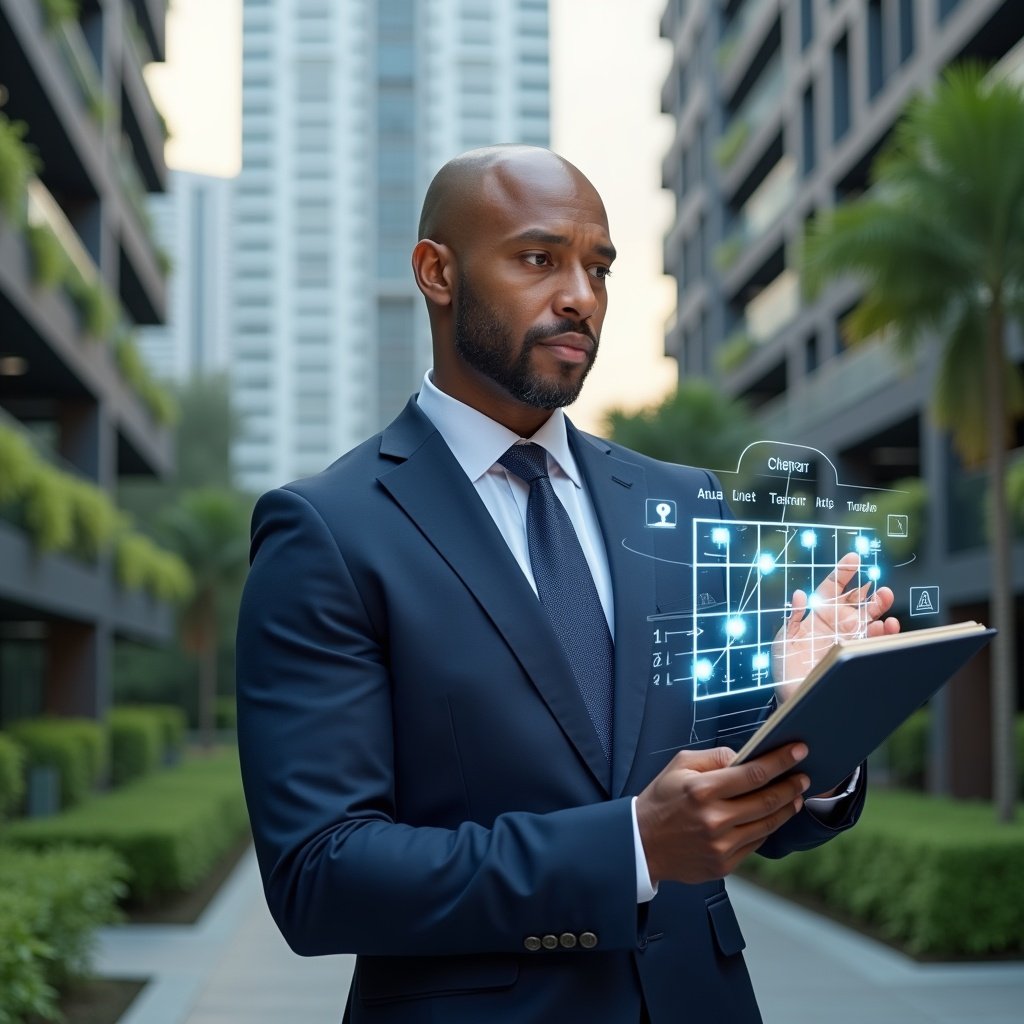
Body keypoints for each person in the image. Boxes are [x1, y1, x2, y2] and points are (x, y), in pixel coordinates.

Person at [236, 145, 899, 1024]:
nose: (581, 296)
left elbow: (732, 787)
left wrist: (809, 714)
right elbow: (321, 876)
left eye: (599, 268)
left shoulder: (681, 502)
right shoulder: (328, 530)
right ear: (437, 272)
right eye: (538, 258)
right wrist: (629, 846)